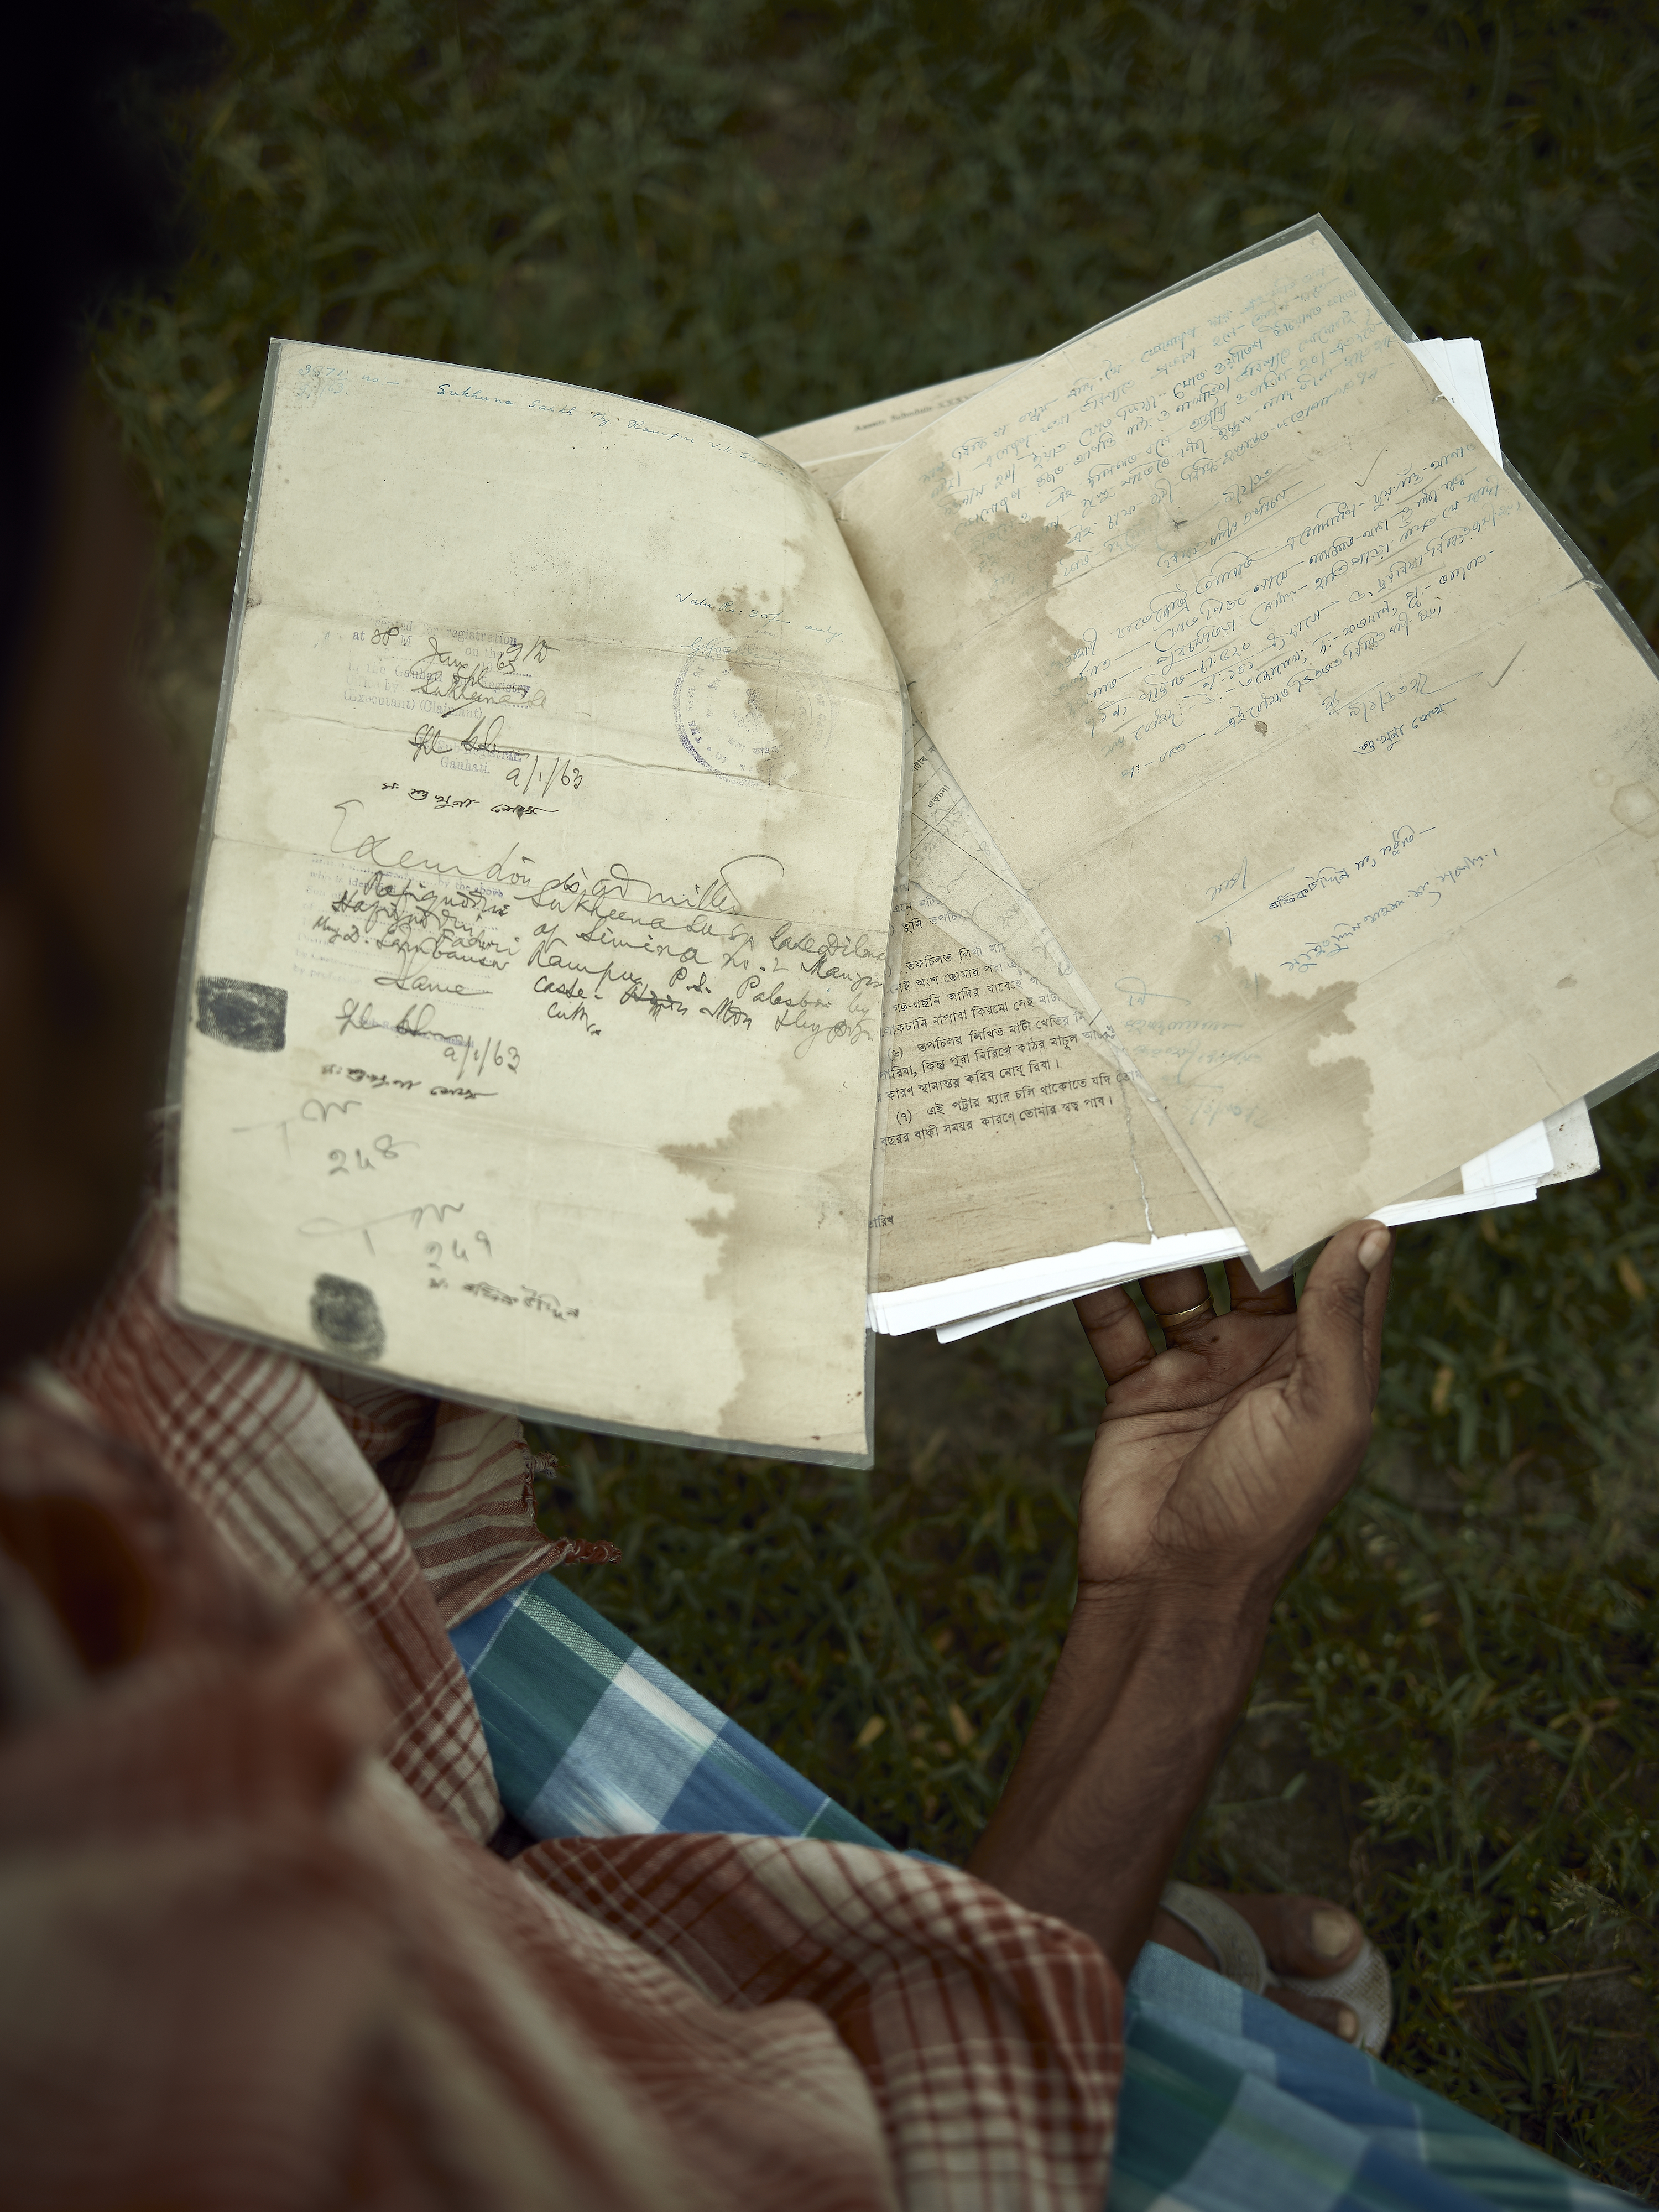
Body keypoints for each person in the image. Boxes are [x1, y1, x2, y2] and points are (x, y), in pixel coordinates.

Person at [0, 15, 1635, 2208]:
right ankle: (1126, 1999)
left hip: (429, 1753)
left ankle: (1118, 1976)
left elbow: (234, 1376)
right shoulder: (152, 1993)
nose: (186, 811)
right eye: (115, 703)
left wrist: (508, 1091)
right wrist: (1174, 1622)